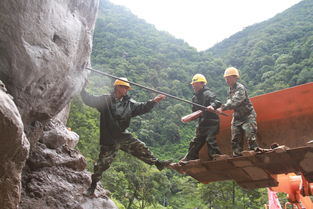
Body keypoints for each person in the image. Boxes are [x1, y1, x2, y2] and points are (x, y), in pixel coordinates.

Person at [81, 77, 171, 196]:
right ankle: (92, 187)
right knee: (102, 164)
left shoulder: (129, 104)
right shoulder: (105, 100)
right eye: (124, 87)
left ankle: (157, 163)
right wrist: (82, 89)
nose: (126, 90)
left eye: (127, 88)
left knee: (140, 147)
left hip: (122, 135)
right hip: (109, 138)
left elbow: (143, 107)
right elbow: (89, 100)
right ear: (117, 87)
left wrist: (154, 101)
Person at [180, 74, 223, 164]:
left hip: (211, 122)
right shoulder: (194, 98)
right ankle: (191, 157)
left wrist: (212, 106)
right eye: (193, 84)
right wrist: (191, 117)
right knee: (196, 141)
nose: (193, 86)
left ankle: (216, 155)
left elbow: (217, 102)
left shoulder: (208, 93)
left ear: (202, 83)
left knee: (210, 139)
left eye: (195, 83)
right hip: (202, 123)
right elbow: (195, 111)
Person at [217, 67, 259, 157]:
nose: (227, 80)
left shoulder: (240, 88)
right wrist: (221, 107)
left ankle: (254, 152)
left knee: (250, 135)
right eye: (226, 78)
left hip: (248, 116)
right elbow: (229, 100)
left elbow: (236, 101)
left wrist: (223, 108)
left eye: (229, 78)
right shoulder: (230, 90)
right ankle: (237, 156)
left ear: (235, 78)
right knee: (235, 139)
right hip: (237, 117)